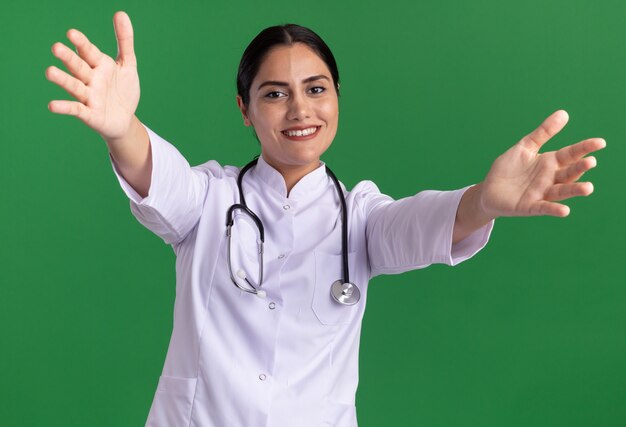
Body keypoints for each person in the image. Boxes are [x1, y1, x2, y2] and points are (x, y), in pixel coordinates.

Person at [46, 11, 605, 427]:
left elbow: (419, 227)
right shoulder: (209, 198)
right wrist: (123, 127)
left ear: (337, 96)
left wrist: (485, 198)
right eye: (274, 94)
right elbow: (158, 178)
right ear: (244, 109)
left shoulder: (360, 216)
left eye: (316, 89)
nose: (300, 110)